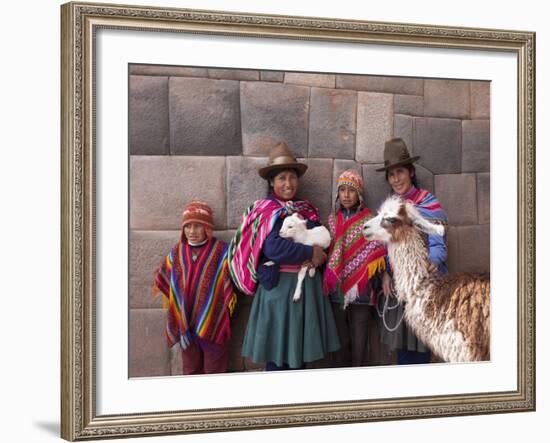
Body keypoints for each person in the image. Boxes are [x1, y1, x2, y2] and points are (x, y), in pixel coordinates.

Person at [228, 142, 340, 371]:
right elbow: (273, 248)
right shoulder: (265, 211)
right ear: (271, 182)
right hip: (278, 291)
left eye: (291, 177)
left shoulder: (305, 210)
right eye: (282, 178)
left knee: (300, 355)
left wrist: (322, 254)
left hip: (305, 291)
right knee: (278, 356)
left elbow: (321, 238)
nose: (288, 183)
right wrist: (310, 252)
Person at [376, 138, 448, 365]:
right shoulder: (390, 208)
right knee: (405, 348)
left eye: (400, 172)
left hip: (426, 285)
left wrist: (431, 262)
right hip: (401, 287)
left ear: (411, 172)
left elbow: (438, 243)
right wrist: (386, 272)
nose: (396, 179)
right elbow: (386, 247)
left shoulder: (428, 203)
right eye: (391, 174)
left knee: (423, 348)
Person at [153, 200, 237, 374]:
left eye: (198, 226)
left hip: (214, 323)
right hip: (186, 326)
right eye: (188, 226)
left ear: (207, 228)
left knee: (214, 372)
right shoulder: (176, 253)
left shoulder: (222, 252)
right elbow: (166, 282)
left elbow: (233, 282)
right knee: (190, 371)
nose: (192, 232)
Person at [323, 170, 390, 367]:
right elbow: (330, 251)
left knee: (360, 341)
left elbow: (379, 250)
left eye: (351, 190)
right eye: (342, 190)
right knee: (340, 342)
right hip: (337, 292)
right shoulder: (332, 221)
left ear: (359, 194)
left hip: (362, 290)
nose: (346, 195)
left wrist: (385, 274)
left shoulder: (371, 220)